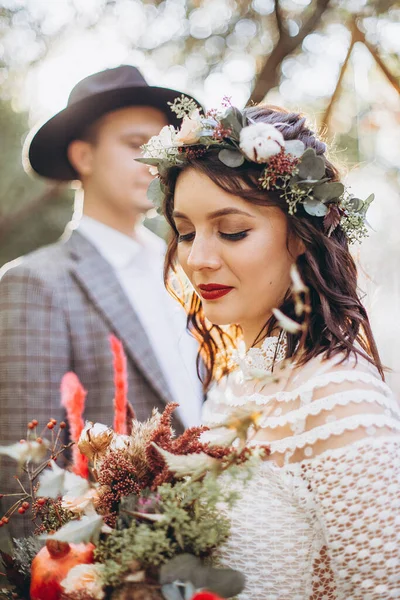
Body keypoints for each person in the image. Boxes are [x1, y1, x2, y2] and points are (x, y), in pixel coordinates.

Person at [140, 99, 400, 598]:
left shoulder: (337, 401)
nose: (198, 260)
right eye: (187, 232)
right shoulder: (231, 386)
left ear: (301, 236)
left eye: (232, 231)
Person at [0, 66, 203, 540]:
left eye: (164, 147)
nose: (156, 162)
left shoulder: (189, 269)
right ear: (83, 156)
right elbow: (23, 484)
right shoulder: (35, 282)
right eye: (137, 145)